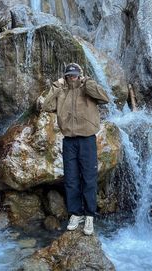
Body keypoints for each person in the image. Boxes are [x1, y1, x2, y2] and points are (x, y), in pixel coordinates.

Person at [42, 63, 109, 235]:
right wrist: (56, 87)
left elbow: (104, 98)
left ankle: (89, 216)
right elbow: (47, 106)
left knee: (88, 178)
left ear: (80, 75)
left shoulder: (87, 87)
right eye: (70, 75)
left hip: (87, 140)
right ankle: (75, 213)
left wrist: (87, 82)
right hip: (69, 141)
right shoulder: (62, 90)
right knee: (71, 179)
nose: (73, 77)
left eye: (75, 75)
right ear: (65, 76)